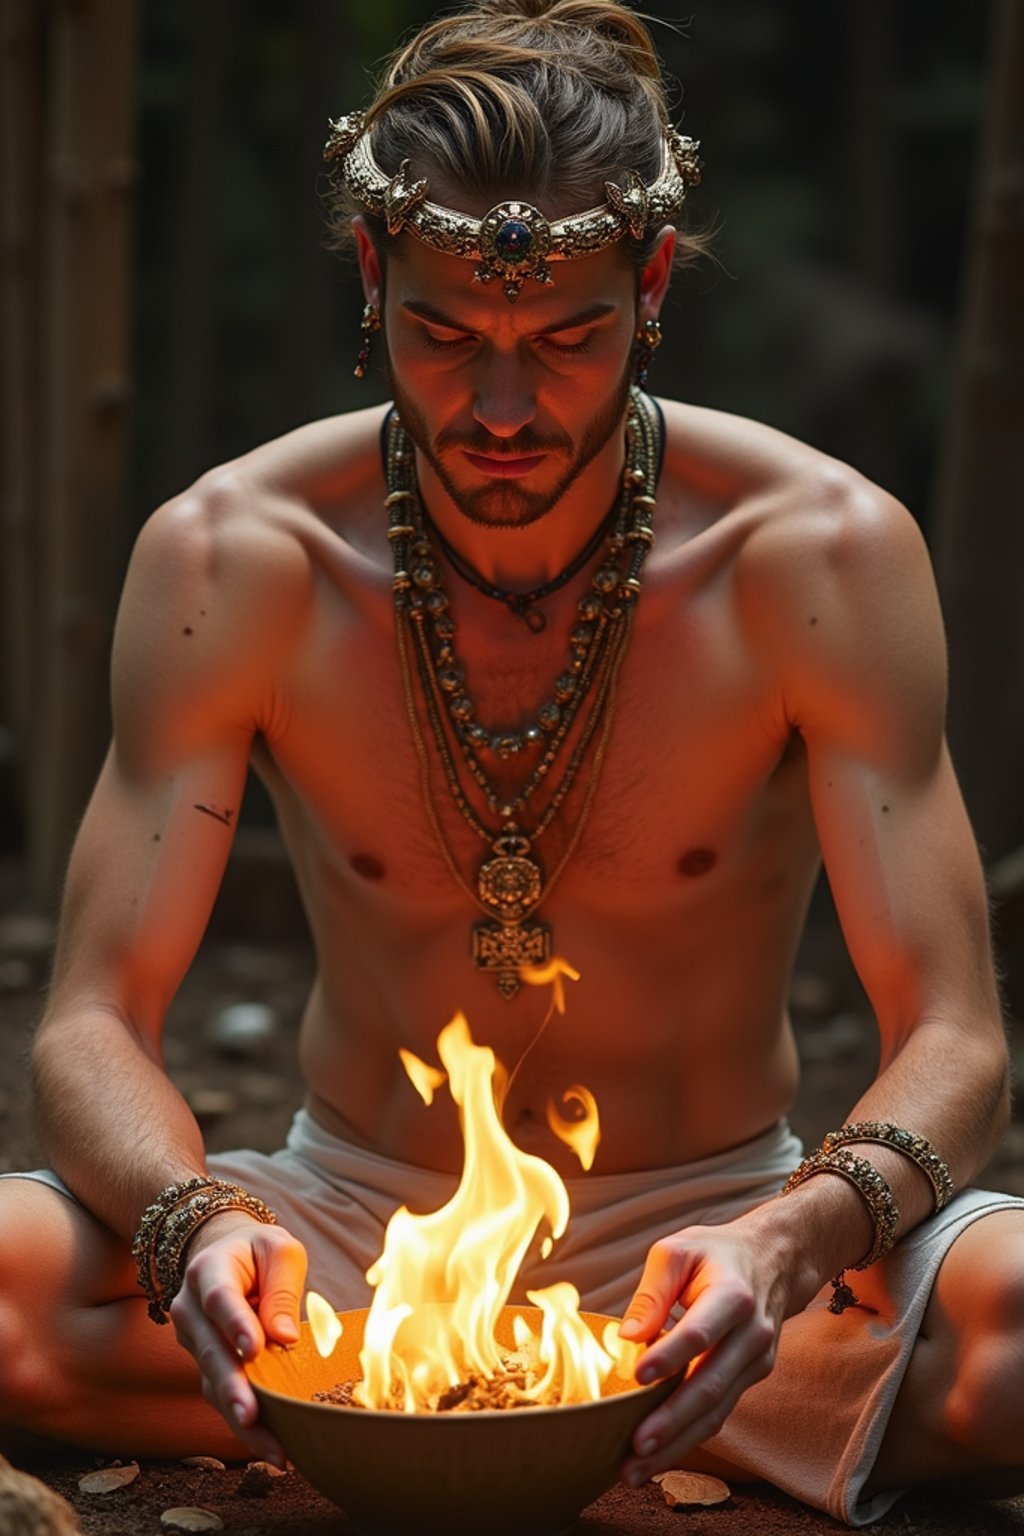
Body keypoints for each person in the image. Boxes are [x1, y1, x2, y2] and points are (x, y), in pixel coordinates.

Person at [2, 0, 1021, 1524]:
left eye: (565, 341)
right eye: (442, 334)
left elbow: (958, 1036)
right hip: (340, 1241)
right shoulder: (235, 556)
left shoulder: (820, 554)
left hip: (725, 1241)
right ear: (372, 275)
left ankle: (579, 1403)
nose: (497, 408)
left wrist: (792, 1241)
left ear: (651, 279)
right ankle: (551, 1418)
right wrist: (192, 1226)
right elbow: (87, 1022)